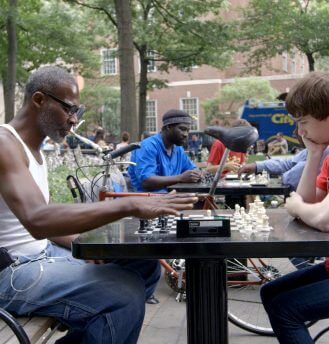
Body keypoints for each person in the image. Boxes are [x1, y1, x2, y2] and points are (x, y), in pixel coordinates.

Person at [0, 66, 197, 344]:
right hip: (11, 273)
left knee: (145, 267)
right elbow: (37, 219)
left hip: (42, 254)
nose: (72, 121)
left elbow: (40, 226)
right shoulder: (5, 144)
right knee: (123, 296)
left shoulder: (34, 150)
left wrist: (88, 246)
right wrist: (128, 206)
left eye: (77, 113)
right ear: (39, 100)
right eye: (69, 109)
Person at [260, 71, 329, 344]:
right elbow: (309, 208)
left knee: (287, 309)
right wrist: (315, 154)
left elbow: (324, 218)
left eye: (303, 121)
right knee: (271, 293)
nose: (299, 131)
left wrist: (297, 205)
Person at [128, 109, 202, 192]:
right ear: (168, 127)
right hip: (147, 202)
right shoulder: (148, 146)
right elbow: (146, 181)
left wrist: (196, 174)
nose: (186, 134)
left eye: (188, 130)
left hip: (170, 199)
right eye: (182, 129)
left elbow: (192, 169)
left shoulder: (178, 149)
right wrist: (180, 178)